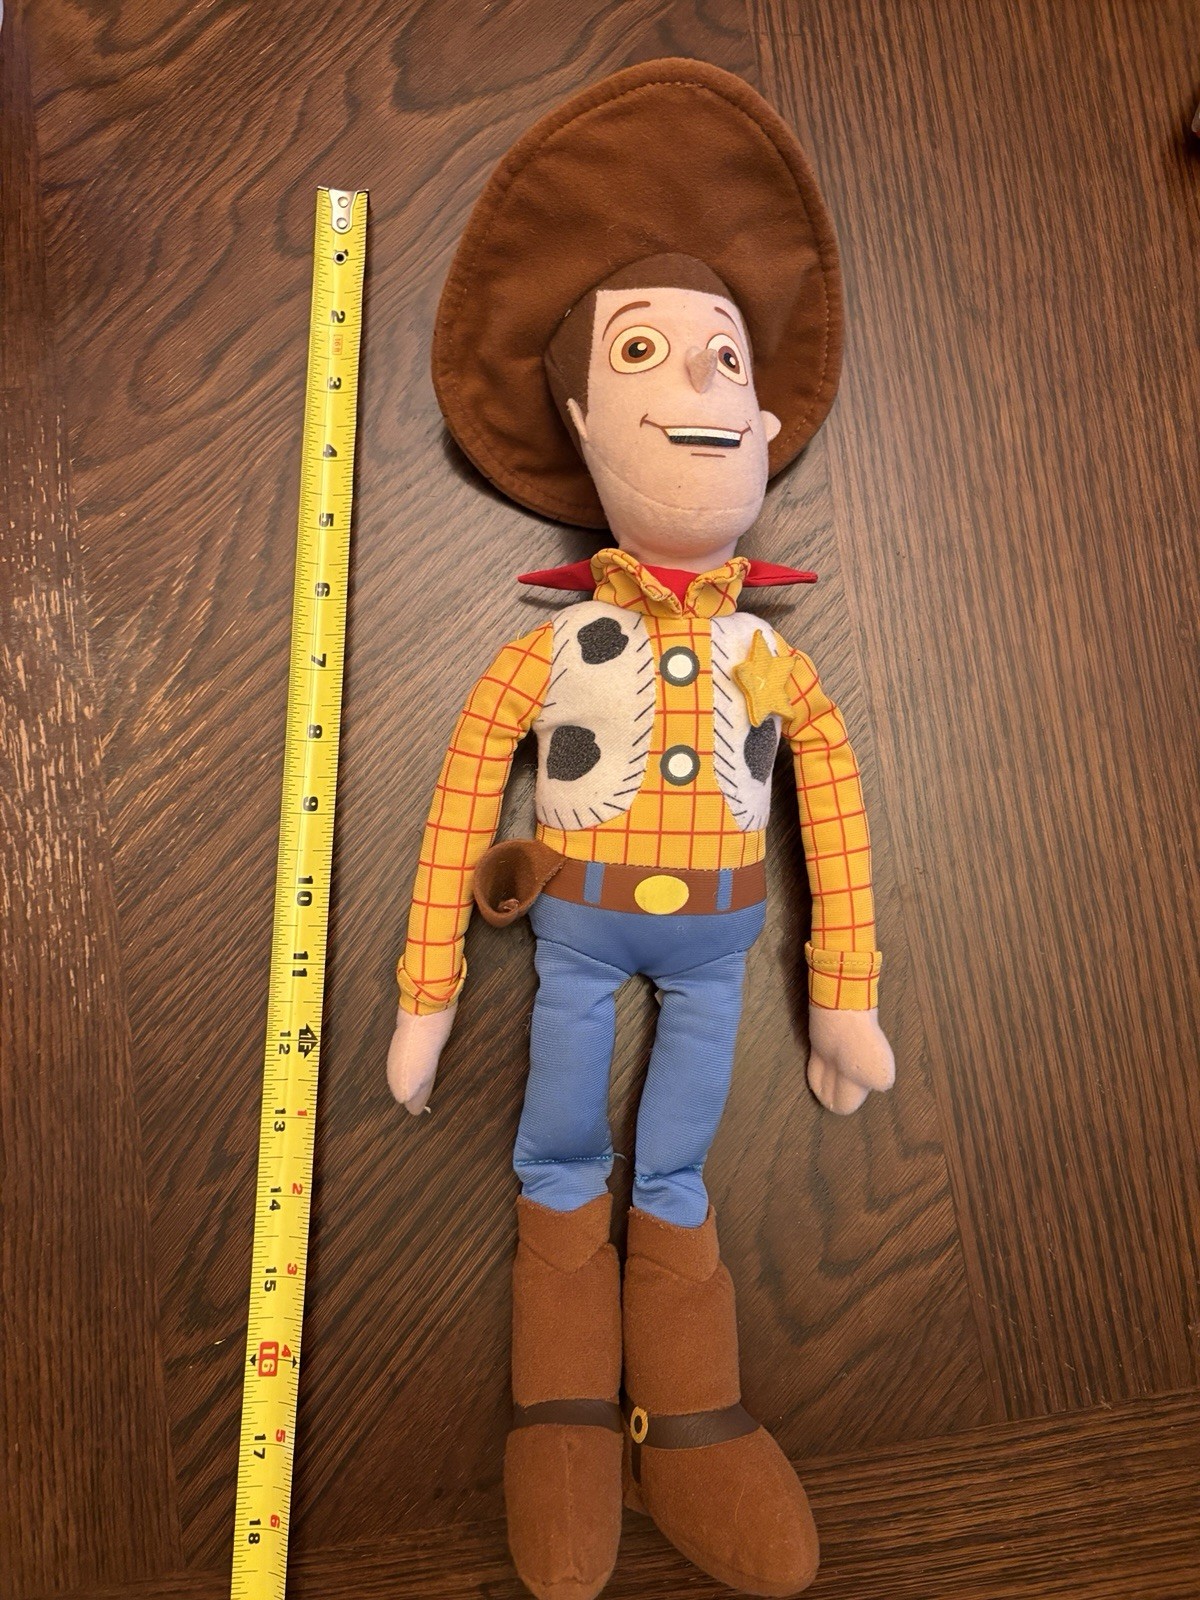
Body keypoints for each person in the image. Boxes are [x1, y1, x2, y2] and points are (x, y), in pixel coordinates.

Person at [387, 59, 895, 1600]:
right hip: (574, 939)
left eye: (723, 361)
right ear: (579, 417)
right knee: (559, 1152)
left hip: (723, 955)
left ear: (765, 415)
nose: (697, 393)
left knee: (674, 1168)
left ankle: (696, 1416)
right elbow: (462, 799)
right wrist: (426, 991)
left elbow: (836, 817)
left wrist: (844, 994)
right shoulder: (550, 650)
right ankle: (558, 1413)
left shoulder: (774, 662)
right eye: (643, 356)